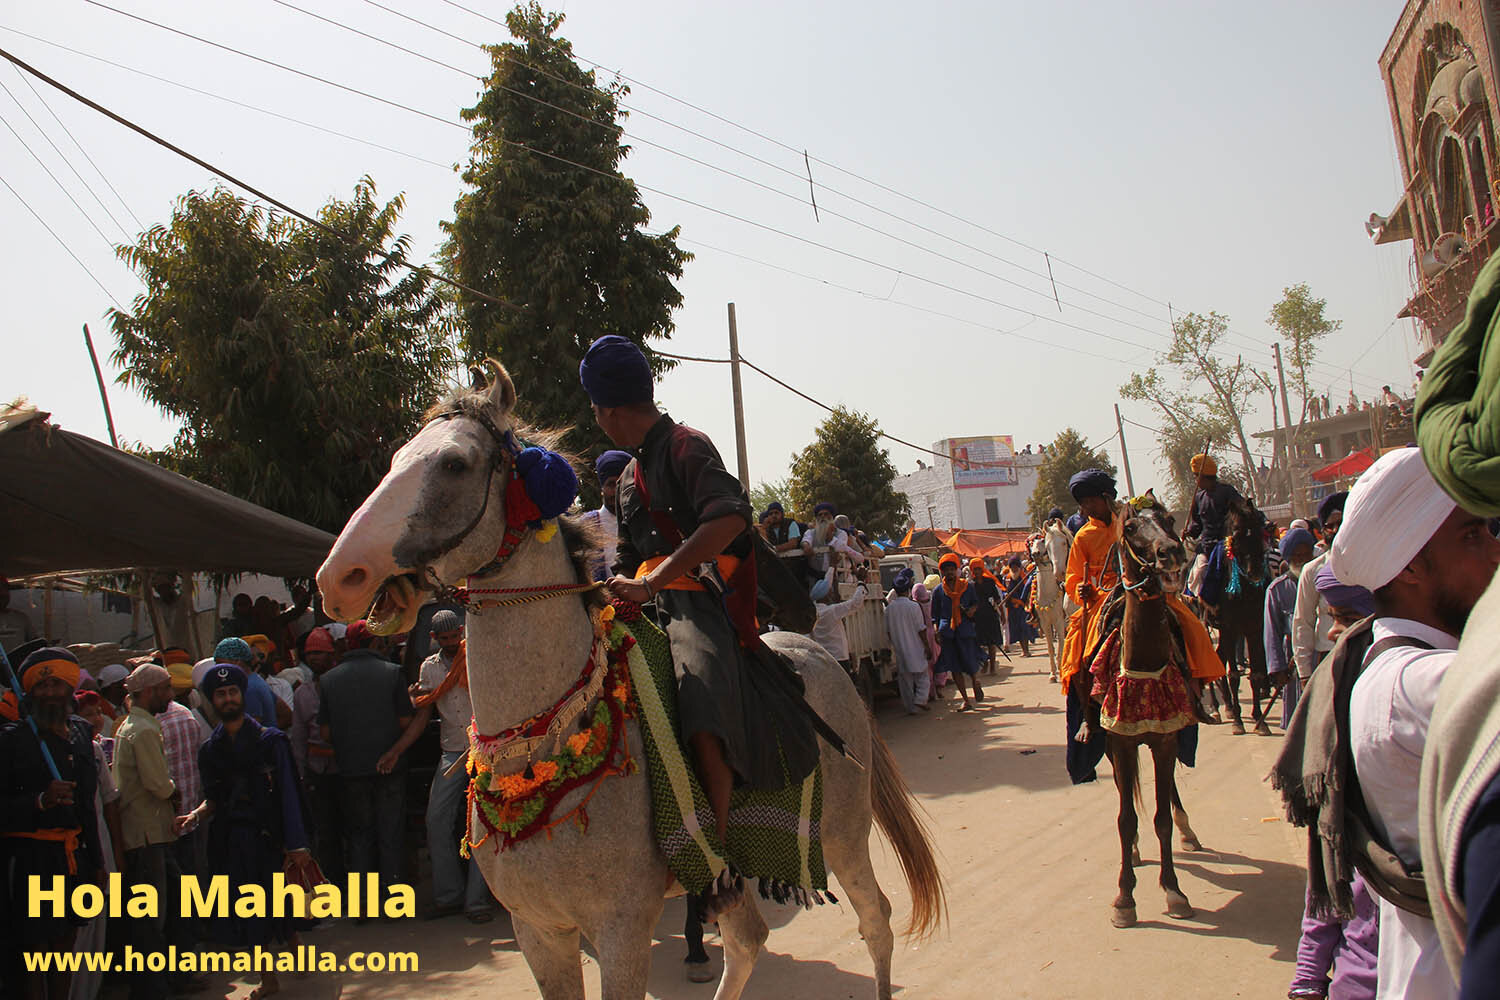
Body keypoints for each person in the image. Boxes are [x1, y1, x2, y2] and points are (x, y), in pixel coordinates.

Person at [580, 334, 818, 856]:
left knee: (698, 688)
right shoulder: (625, 478)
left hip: (700, 599)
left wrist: (652, 581)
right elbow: (625, 556)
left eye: (596, 408)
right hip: (641, 600)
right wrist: (613, 589)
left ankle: (718, 850)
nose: (596, 417)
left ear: (612, 408)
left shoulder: (688, 445)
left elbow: (731, 516)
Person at [1333, 448, 1499, 999]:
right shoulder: (1417, 682)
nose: (1495, 552)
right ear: (1408, 567)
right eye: (1473, 536)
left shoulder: (1396, 665)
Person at [176, 664, 315, 1000]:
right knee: (248, 909)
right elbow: (214, 797)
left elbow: (288, 793)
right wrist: (195, 814)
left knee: (282, 905)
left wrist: (297, 844)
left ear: (242, 695)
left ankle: (297, 950)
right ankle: (267, 978)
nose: (227, 698)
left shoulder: (271, 741)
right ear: (212, 702)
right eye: (220, 695)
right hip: (233, 842)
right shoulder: (211, 751)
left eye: (232, 692)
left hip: (273, 838)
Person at [0, 648, 103, 1000]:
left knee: (64, 948)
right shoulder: (12, 741)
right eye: (41, 686)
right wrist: (40, 801)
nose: (50, 692)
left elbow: (88, 807)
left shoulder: (80, 736)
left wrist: (99, 865)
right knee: (35, 955)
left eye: (58, 684)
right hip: (31, 859)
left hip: (73, 859)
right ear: (29, 692)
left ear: (70, 690)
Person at [378, 611, 493, 924]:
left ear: (461, 632)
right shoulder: (429, 668)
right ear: (435, 639)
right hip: (451, 751)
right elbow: (422, 717)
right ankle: (448, 896)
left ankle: (477, 900)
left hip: (482, 750)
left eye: (454, 637)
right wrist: (396, 751)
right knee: (436, 820)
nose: (451, 643)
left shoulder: (477, 653)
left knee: (480, 823)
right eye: (444, 640)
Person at [318, 620, 412, 897]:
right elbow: (406, 722)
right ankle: (395, 900)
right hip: (390, 767)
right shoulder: (393, 673)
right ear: (375, 642)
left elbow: (324, 732)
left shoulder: (329, 680)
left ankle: (362, 902)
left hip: (351, 768)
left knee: (359, 835)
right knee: (390, 833)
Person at [112, 663, 184, 1000]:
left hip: (150, 832)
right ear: (150, 692)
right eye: (166, 688)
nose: (170, 695)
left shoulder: (137, 725)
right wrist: (173, 792)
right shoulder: (141, 730)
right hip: (145, 836)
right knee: (150, 917)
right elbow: (158, 784)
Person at [1058, 469, 1120, 783]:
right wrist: (1082, 589)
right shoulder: (1083, 536)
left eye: (1090, 502)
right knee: (1079, 652)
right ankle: (1088, 715)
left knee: (1184, 621)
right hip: (1098, 599)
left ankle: (1193, 696)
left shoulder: (1129, 526)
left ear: (1106, 497)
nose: (1086, 509)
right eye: (1083, 504)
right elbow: (1072, 578)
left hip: (1134, 590)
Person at [289, 627, 342, 883]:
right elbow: (298, 737)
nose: (314, 658)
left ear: (332, 654)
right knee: (326, 833)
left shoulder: (346, 686)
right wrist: (300, 774)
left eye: (320, 653)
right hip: (318, 773)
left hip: (347, 769)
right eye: (310, 654)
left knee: (354, 831)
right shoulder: (302, 694)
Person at [1292, 492, 1348, 698]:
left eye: (1341, 523)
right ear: (1322, 531)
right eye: (1329, 526)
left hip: (1370, 652)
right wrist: (1304, 672)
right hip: (1329, 656)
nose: (1336, 530)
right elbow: (1303, 622)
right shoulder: (1313, 570)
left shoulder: (1369, 561)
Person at [1265, 526, 1316, 727]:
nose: (1302, 560)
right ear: (1288, 558)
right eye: (1297, 556)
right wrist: (1277, 668)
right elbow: (1272, 633)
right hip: (1293, 661)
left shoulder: (1322, 579)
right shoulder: (1277, 590)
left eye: (1306, 555)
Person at [1184, 453, 1245, 596]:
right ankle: (1202, 606)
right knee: (1198, 573)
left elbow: (1243, 509)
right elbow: (1196, 526)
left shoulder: (1226, 491)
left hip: (1228, 545)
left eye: (1196, 476)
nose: (1195, 480)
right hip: (1207, 548)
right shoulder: (1198, 497)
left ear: (1203, 475)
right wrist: (1189, 532)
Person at [932, 552, 982, 710]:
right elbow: (935, 616)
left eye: (951, 569)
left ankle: (975, 681)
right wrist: (936, 632)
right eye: (946, 570)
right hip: (948, 633)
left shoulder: (968, 587)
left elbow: (975, 604)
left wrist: (971, 611)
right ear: (942, 572)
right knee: (954, 667)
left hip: (965, 630)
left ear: (956, 570)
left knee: (970, 661)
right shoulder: (938, 591)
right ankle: (966, 700)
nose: (949, 572)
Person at [213, 637, 286, 730]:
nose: (217, 668)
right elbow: (286, 715)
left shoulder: (248, 688)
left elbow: (248, 735)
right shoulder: (256, 681)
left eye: (220, 663)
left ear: (237, 662)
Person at [809, 565, 867, 675]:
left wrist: (831, 566)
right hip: (839, 658)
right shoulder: (830, 611)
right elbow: (855, 603)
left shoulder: (813, 612)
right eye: (829, 592)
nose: (831, 594)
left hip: (822, 659)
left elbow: (826, 584)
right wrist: (861, 582)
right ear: (825, 596)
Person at [583, 449, 632, 581]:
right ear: (602, 489)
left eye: (621, 484)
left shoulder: (642, 522)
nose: (617, 491)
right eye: (611, 484)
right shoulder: (586, 525)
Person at [885, 569, 929, 714]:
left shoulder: (889, 609)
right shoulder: (913, 606)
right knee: (922, 676)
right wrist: (927, 646)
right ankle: (920, 700)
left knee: (905, 681)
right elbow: (921, 629)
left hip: (900, 648)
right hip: (915, 646)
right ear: (908, 589)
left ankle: (911, 707)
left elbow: (889, 631)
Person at [966, 557, 1004, 672]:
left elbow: (997, 599)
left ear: (982, 569)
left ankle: (992, 666)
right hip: (977, 617)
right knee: (979, 643)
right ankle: (985, 662)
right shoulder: (970, 585)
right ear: (972, 570)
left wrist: (1002, 614)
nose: (977, 571)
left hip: (990, 614)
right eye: (975, 569)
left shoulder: (990, 582)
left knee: (992, 643)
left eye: (979, 568)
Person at [1003, 555, 1034, 658]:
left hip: (1022, 607)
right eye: (1012, 567)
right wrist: (1005, 595)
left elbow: (1029, 591)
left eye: (1016, 566)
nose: (1014, 568)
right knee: (1016, 629)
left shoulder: (1024, 577)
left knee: (1024, 628)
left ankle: (1026, 650)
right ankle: (1023, 650)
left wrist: (1023, 601)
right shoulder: (1007, 578)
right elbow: (1003, 591)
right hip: (1012, 608)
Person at [0, 577, 34, 654]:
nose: (2, 593)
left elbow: (35, 643)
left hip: (18, 664)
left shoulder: (21, 618)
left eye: (5, 590)